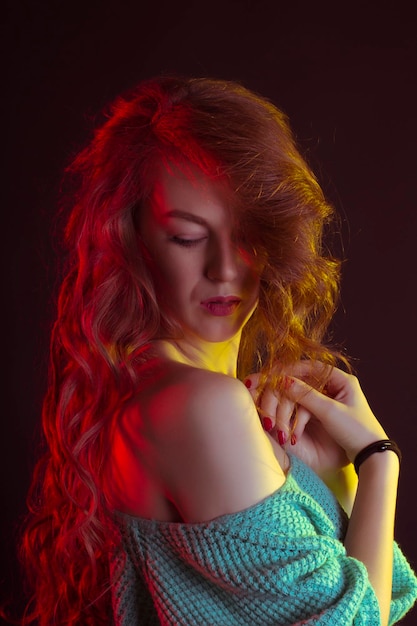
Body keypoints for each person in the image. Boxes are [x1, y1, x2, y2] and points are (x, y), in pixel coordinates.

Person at [20, 75, 417, 625]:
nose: (226, 269)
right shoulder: (200, 405)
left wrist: (337, 479)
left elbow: (366, 600)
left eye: (249, 233)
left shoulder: (156, 395)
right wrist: (379, 463)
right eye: (187, 236)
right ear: (130, 239)